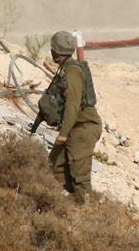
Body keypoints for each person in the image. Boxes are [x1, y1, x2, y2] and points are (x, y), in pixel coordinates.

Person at [38, 30, 102, 197]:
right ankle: (63, 206)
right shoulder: (65, 69)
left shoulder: (72, 72)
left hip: (83, 129)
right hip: (73, 128)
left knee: (80, 178)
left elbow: (72, 106)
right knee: (55, 168)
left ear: (55, 52)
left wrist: (63, 134)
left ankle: (87, 212)